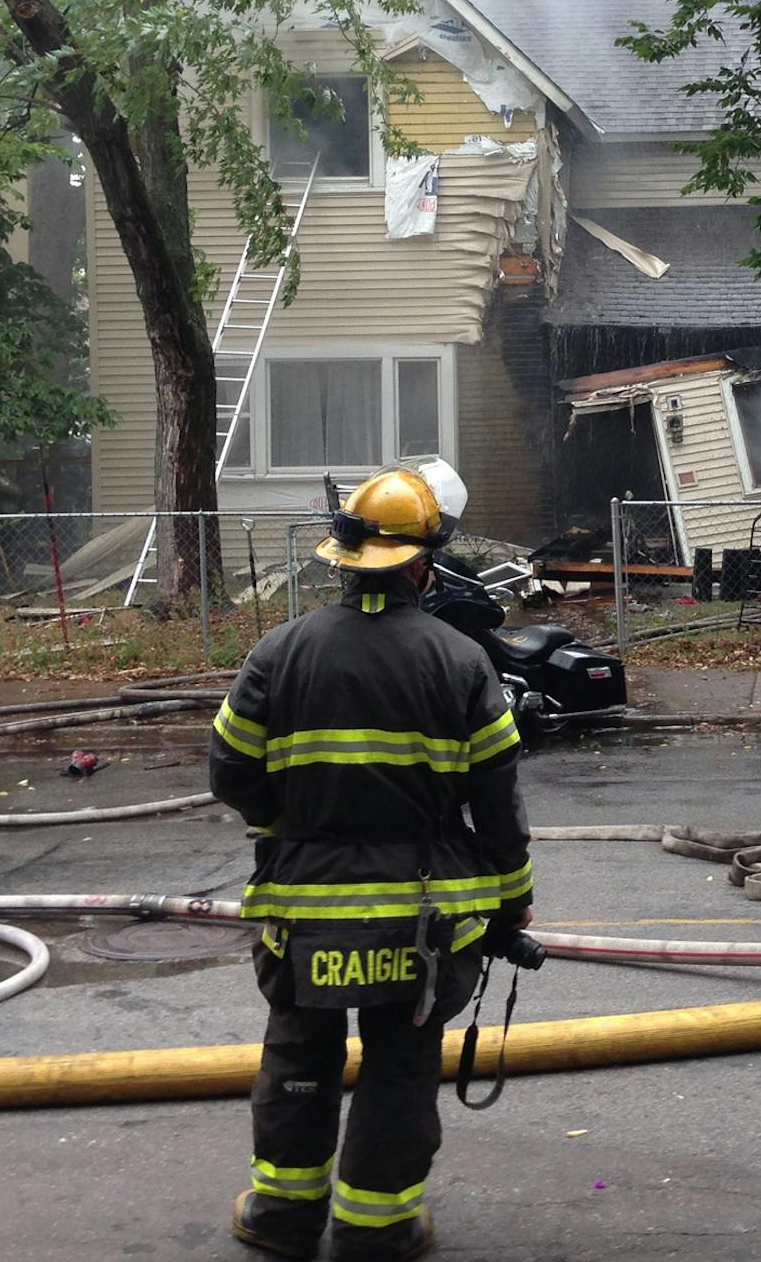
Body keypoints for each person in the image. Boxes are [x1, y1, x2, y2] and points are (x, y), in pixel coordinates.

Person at [211, 459, 534, 1261]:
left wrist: (287, 826)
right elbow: (497, 801)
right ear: (421, 566)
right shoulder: (462, 661)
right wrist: (512, 899)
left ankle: (283, 1217)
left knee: (299, 1050)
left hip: (304, 911)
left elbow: (230, 770)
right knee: (400, 1060)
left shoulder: (278, 652)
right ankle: (376, 1225)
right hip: (418, 919)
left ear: (346, 560)